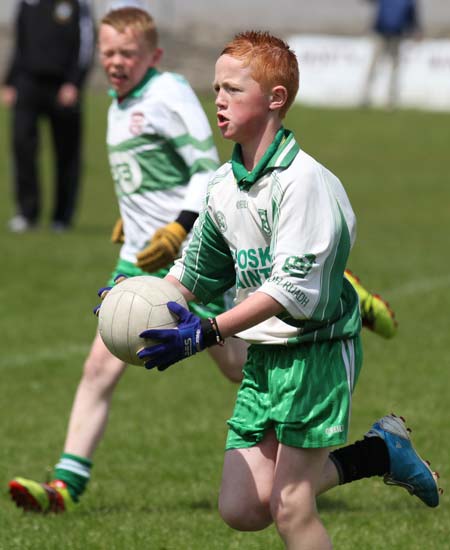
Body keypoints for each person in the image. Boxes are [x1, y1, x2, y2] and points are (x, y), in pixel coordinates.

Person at [8, 10, 398, 515]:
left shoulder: (168, 95)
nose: (115, 62)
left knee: (240, 365)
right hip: (151, 262)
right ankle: (66, 484)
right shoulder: (116, 105)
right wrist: (136, 221)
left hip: (198, 248)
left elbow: (199, 170)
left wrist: (177, 225)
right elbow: (154, 178)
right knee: (102, 363)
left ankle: (329, 285)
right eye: (107, 53)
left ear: (154, 55)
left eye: (127, 53)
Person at [130, 31, 439, 547]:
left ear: (276, 99)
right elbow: (195, 271)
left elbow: (287, 292)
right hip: (264, 357)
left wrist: (208, 332)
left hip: (316, 350)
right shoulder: (223, 186)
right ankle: (381, 452)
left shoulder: (304, 183)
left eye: (232, 89)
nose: (219, 100)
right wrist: (136, 296)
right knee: (242, 507)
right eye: (216, 89)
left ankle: (379, 454)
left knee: (291, 509)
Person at [1, 0, 96, 233]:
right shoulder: (27, 2)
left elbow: (86, 44)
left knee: (66, 153)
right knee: (22, 147)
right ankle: (27, 213)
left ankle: (61, 218)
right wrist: (10, 81)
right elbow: (20, 43)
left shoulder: (77, 4)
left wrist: (75, 83)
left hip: (63, 87)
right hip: (28, 84)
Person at [361, 0, 422, 108]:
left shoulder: (408, 2)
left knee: (393, 69)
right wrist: (416, 29)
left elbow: (413, 17)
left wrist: (416, 30)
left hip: (396, 36)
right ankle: (366, 98)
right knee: (375, 67)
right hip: (381, 34)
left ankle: (390, 100)